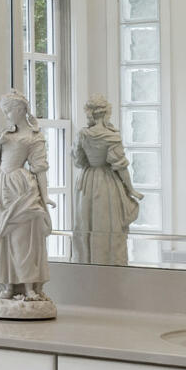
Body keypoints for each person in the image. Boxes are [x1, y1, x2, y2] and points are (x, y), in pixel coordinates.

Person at [0, 92, 55, 316]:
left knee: (24, 240)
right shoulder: (4, 135)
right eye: (3, 111)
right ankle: (6, 284)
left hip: (21, 189)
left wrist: (45, 196)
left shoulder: (33, 137)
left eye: (8, 110)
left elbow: (39, 169)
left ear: (21, 110)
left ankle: (29, 286)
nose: (5, 115)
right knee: (1, 239)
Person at [73, 96, 139, 265]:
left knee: (86, 225)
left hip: (86, 182)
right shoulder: (111, 136)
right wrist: (131, 190)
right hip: (106, 183)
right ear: (106, 113)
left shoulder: (83, 134)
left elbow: (79, 161)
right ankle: (108, 265)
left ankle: (87, 264)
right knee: (107, 227)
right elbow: (121, 166)